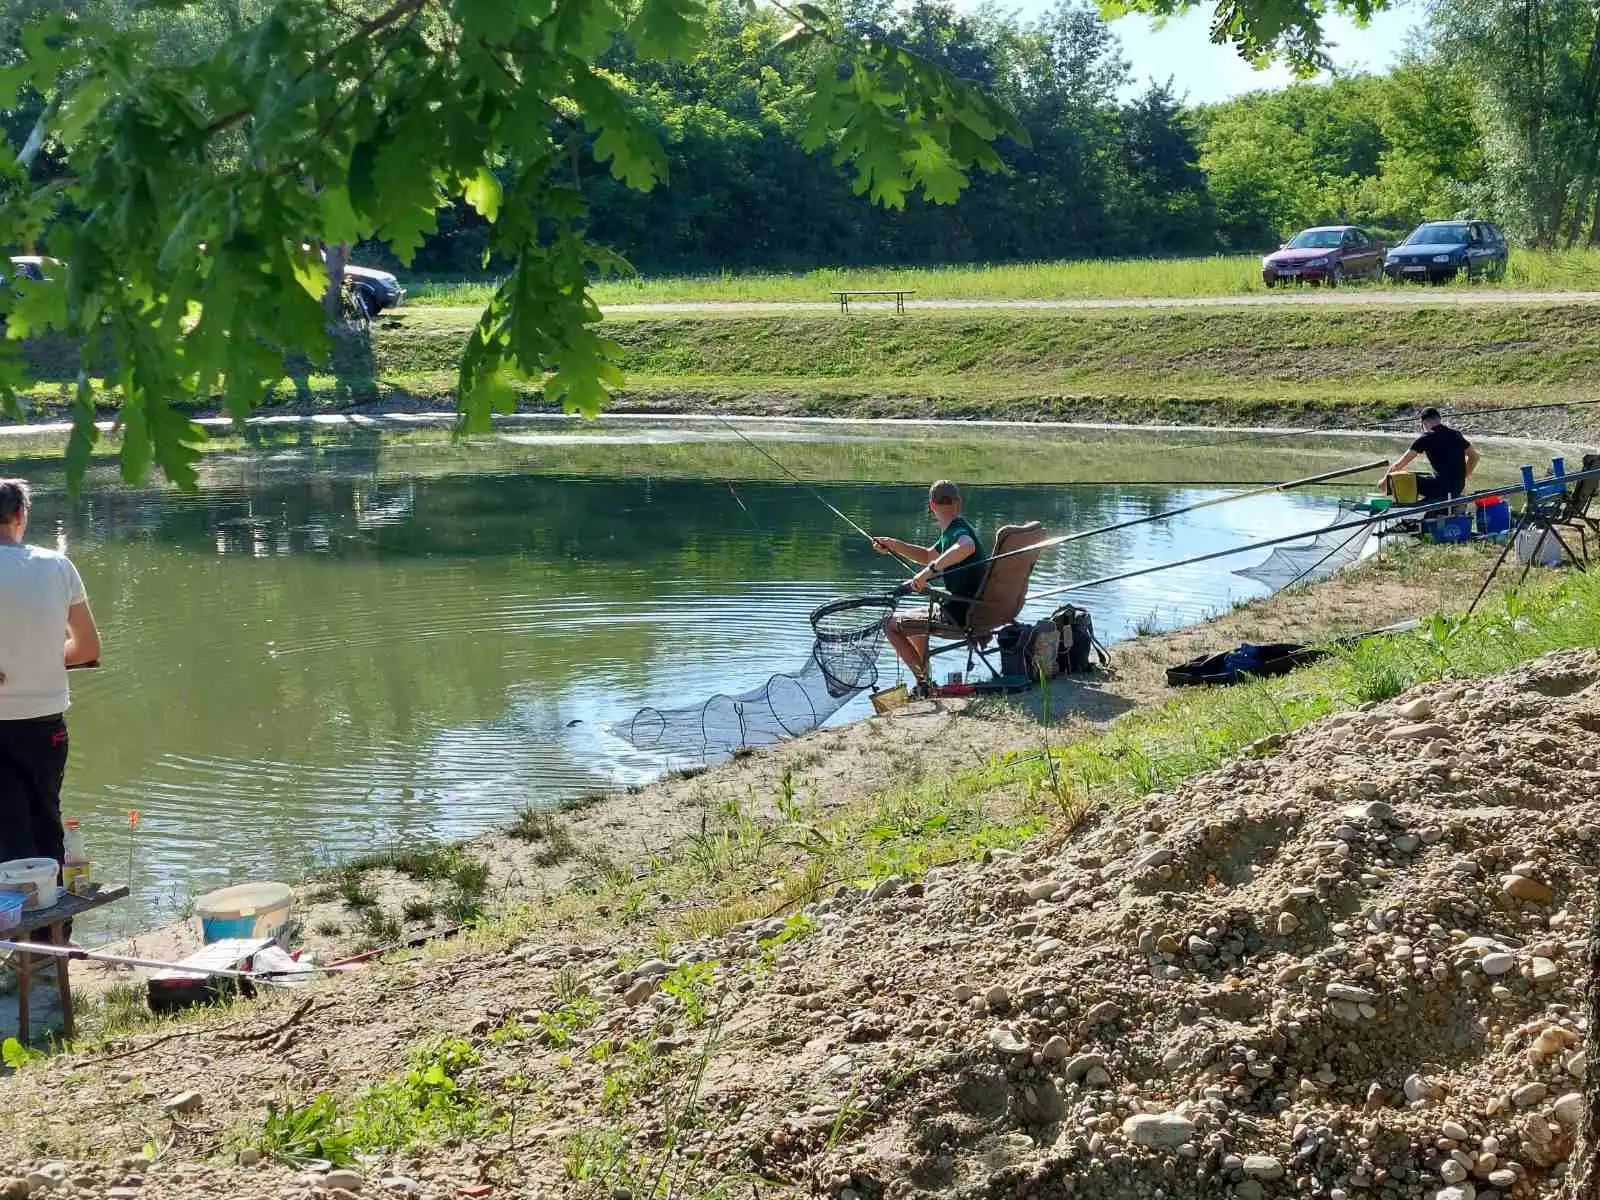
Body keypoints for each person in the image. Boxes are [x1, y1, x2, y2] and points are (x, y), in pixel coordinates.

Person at [0, 479, 100, 881]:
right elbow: (88, 648)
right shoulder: (58, 565)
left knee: (6, 831)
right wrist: (42, 655)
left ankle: (16, 931)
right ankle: (52, 928)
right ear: (21, 515)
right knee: (46, 821)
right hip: (45, 721)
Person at [871, 480, 986, 691]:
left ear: (932, 505)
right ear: (958, 504)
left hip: (961, 615)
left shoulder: (957, 532)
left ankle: (924, 683)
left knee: (889, 624)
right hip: (977, 609)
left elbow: (966, 546)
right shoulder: (956, 528)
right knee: (914, 619)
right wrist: (893, 544)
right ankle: (924, 680)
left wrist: (927, 573)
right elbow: (927, 555)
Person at [1382, 408, 1479, 503]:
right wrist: (1464, 476)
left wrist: (1384, 481)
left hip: (1440, 488)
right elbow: (1475, 457)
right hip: (1458, 487)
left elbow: (1399, 465)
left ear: (1424, 423)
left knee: (1402, 477)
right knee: (1429, 476)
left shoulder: (1427, 437)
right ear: (1439, 419)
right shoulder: (1456, 434)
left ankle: (1406, 506)